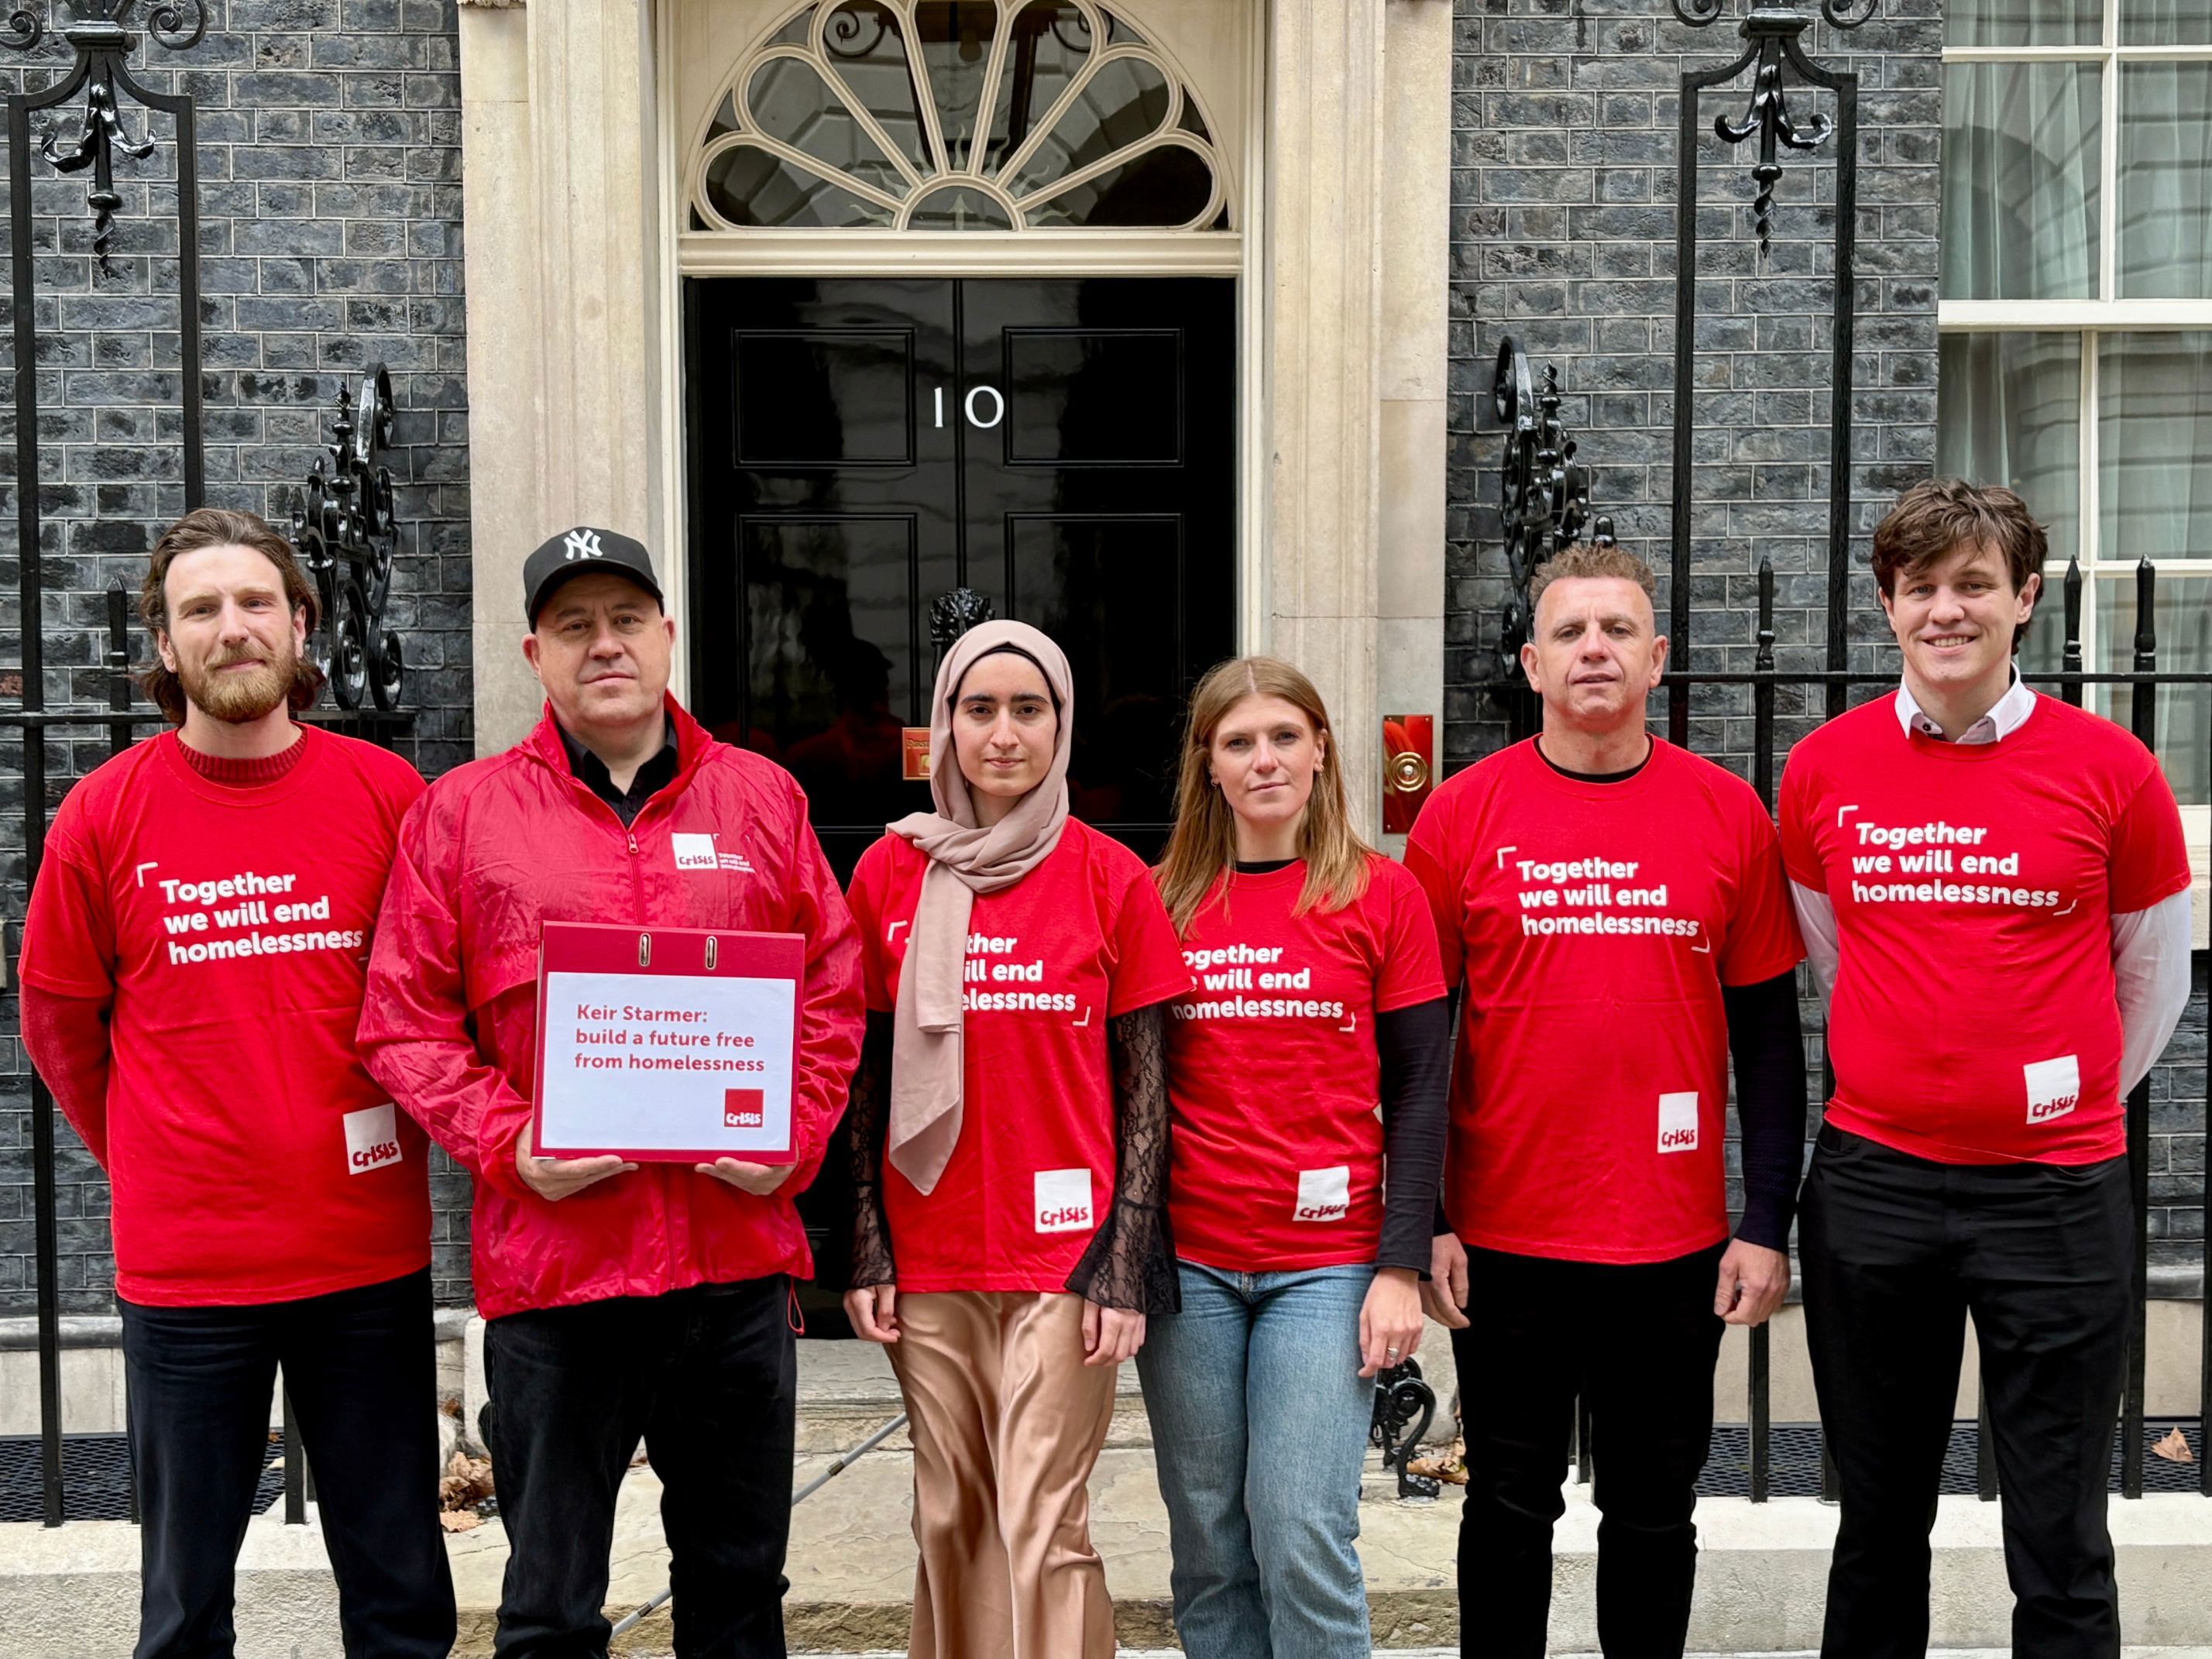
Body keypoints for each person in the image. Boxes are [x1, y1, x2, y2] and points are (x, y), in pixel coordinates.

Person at [358, 527, 865, 1659]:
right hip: (558, 1271)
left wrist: (791, 1134)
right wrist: (509, 1138)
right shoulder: (463, 814)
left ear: (667, 637)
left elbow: (832, 992)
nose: (606, 646)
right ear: (535, 651)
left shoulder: (764, 800)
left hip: (732, 1268)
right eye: (576, 626)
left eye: (627, 620)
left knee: (738, 1589)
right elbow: (402, 1018)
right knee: (549, 1607)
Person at [19, 507, 452, 1659]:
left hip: (365, 1249)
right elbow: (60, 1019)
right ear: (165, 646)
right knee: (183, 1600)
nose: (232, 628)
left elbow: (435, 997)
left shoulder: (384, 795)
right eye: (199, 609)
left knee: (401, 1584)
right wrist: (151, 1151)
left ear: (301, 625)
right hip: (189, 1268)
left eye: (256, 602)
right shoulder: (103, 815)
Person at [1779, 479, 2191, 1659]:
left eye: (1973, 585)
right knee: (1876, 1525)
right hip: (1873, 1188)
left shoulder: (2111, 770)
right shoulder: (1821, 768)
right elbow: (1831, 950)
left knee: (2059, 1538)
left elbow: (2151, 978)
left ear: (2024, 599)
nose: (1946, 610)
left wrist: (2051, 1104)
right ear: (1888, 605)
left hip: (2056, 1195)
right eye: (1922, 588)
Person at [1405, 542, 1808, 1659]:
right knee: (1506, 1509)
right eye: (1572, 633)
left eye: (1619, 630)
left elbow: (1773, 1045)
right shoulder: (1457, 818)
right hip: (1503, 1238)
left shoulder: (1730, 816)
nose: (1595, 650)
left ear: (1658, 658)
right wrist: (1427, 1216)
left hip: (1671, 1243)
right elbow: (1423, 1041)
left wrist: (1765, 1221)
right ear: (1532, 662)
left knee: (1652, 1513)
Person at [840, 619, 1193, 1659]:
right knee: (949, 1513)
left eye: (1027, 709)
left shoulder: (1110, 875)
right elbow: (861, 1072)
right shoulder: (887, 874)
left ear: (1062, 725)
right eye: (978, 708)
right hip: (929, 1243)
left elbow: (1146, 1086)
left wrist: (1126, 1262)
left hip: (1067, 1252)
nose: (1003, 733)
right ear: (942, 724)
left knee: (1045, 1521)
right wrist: (864, 1239)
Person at [1140, 654, 1450, 1659]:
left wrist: (1400, 1265)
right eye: (1239, 741)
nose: (1264, 758)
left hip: (1329, 1262)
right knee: (1208, 1536)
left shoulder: (1384, 896)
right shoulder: (1161, 900)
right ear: (1210, 765)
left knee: (1301, 1524)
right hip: (1188, 1266)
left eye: (1284, 736)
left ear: (1320, 750)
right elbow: (1128, 1093)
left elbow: (1420, 1088)